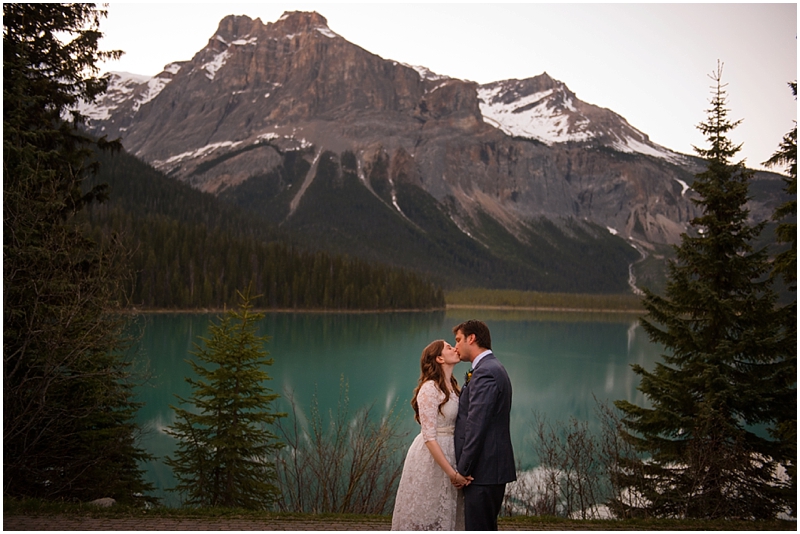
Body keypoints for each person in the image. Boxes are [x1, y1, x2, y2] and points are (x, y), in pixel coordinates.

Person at [391, 340, 472, 530]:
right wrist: (453, 474)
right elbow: (429, 437)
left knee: (448, 513)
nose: (455, 348)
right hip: (432, 458)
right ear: (439, 358)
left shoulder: (453, 387)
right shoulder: (429, 388)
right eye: (449, 347)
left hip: (452, 452)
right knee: (428, 513)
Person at [453, 320, 516, 531]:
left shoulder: (486, 372)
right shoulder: (488, 368)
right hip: (487, 469)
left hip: (483, 471)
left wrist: (462, 469)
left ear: (472, 338)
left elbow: (476, 425)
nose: (456, 346)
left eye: (459, 339)